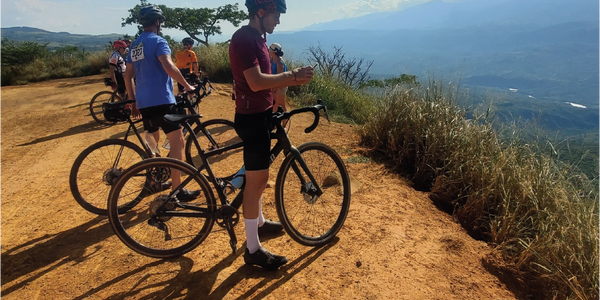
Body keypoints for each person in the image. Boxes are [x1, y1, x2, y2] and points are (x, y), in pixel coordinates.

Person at [229, 0, 314, 270]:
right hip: (252, 118)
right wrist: (292, 76)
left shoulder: (258, 38)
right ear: (261, 12)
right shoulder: (244, 38)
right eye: (276, 15)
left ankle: (261, 223)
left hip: (261, 114)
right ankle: (252, 250)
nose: (278, 21)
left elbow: (264, 79)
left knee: (259, 177)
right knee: (256, 182)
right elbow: (255, 81)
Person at [123, 5, 199, 201]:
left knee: (153, 142)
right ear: (158, 22)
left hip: (144, 102)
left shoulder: (135, 45)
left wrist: (132, 100)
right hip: (162, 100)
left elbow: (128, 74)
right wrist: (186, 86)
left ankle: (154, 181)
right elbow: (168, 65)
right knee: (178, 142)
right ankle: (177, 190)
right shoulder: (158, 41)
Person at [268, 42, 288, 113]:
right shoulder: (272, 60)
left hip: (281, 86)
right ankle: (275, 123)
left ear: (273, 52)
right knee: (274, 105)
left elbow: (280, 78)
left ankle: (284, 123)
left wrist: (274, 88)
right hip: (274, 85)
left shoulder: (280, 63)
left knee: (281, 105)